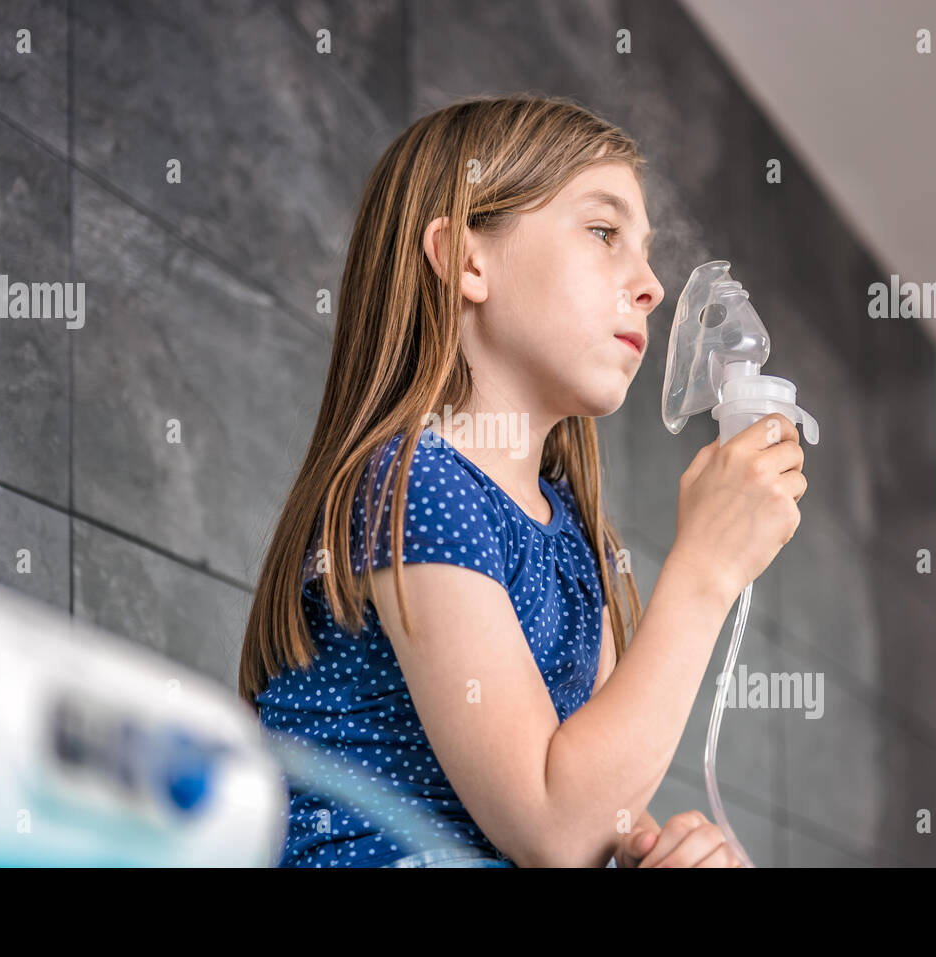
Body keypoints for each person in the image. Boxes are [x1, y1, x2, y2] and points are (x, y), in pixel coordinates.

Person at [238, 93, 806, 867]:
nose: (651, 286)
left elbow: (599, 818)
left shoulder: (578, 540)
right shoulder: (416, 485)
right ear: (470, 260)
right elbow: (554, 826)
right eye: (605, 232)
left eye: (645, 250)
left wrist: (658, 855)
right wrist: (705, 571)